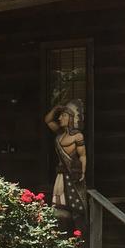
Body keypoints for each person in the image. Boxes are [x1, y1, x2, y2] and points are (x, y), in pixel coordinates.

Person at [43, 100, 87, 233]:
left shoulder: (78, 136)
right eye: (60, 115)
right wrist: (57, 108)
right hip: (61, 175)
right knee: (59, 207)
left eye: (64, 115)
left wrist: (83, 172)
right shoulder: (59, 134)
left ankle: (80, 237)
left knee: (76, 207)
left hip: (73, 175)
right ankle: (62, 235)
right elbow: (48, 120)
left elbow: (83, 155)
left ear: (71, 118)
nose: (60, 118)